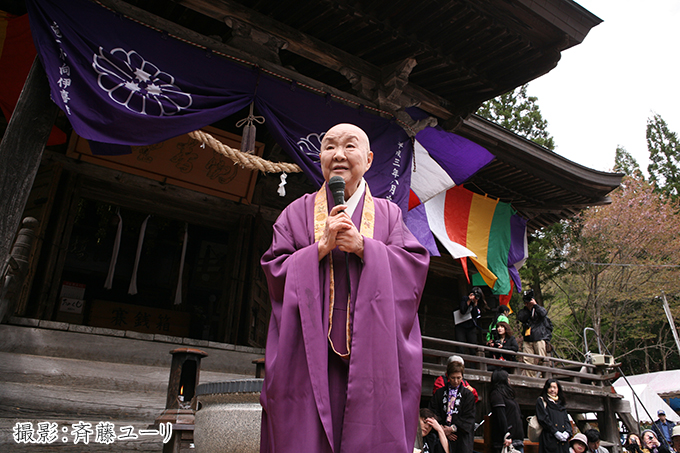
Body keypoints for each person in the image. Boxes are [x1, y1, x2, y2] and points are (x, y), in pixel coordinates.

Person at [259, 123, 430, 453]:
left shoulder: (389, 215)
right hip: (307, 359)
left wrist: (366, 247)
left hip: (372, 360)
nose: (338, 154)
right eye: (329, 147)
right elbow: (274, 271)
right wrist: (319, 249)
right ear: (319, 157)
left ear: (368, 159)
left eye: (349, 147)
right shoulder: (295, 214)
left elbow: (413, 272)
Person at [429, 361, 477, 453]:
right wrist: (442, 429)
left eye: (458, 378)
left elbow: (469, 418)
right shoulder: (440, 393)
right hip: (441, 434)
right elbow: (433, 411)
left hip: (461, 438)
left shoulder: (468, 395)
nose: (456, 381)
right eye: (453, 378)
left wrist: (452, 429)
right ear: (448, 377)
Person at [517, 289, 551, 377]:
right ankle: (530, 377)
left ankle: (545, 376)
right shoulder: (524, 311)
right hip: (528, 338)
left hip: (539, 337)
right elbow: (521, 317)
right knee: (528, 360)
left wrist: (535, 305)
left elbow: (543, 314)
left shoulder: (539, 310)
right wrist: (528, 309)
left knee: (543, 359)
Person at [489, 369, 524, 453]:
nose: (509, 380)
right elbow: (501, 416)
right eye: (507, 378)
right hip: (506, 439)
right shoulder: (496, 394)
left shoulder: (508, 395)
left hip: (516, 438)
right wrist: (506, 435)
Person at [536, 378, 572, 453]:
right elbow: (543, 419)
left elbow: (566, 420)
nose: (552, 390)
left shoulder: (561, 403)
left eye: (554, 387)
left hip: (563, 441)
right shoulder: (542, 401)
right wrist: (555, 432)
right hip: (549, 438)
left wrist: (567, 432)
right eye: (550, 387)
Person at [455, 287, 486, 355]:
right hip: (461, 325)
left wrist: (475, 304)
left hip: (471, 327)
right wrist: (469, 301)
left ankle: (473, 365)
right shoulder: (465, 299)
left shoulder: (479, 303)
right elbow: (462, 311)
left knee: (473, 348)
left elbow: (475, 315)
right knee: (460, 347)